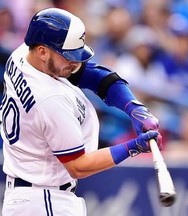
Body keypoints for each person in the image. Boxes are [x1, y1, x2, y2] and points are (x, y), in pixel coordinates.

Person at [1, 8, 162, 216]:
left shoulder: (23, 54)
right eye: (68, 56)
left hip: (32, 196)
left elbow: (93, 74)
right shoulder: (50, 100)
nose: (75, 63)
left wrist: (134, 107)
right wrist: (133, 146)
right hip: (44, 200)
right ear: (42, 51)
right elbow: (78, 165)